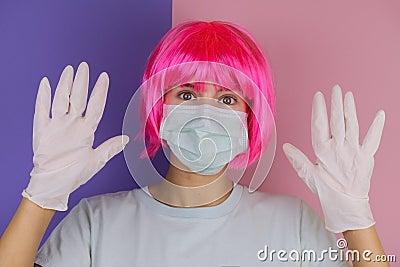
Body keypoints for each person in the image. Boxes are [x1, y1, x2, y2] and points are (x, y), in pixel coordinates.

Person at [0, 21, 389, 266]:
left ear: (251, 117)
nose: (205, 114)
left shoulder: (295, 224)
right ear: (157, 106)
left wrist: (356, 220)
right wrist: (41, 194)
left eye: (227, 99)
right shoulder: (94, 223)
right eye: (186, 94)